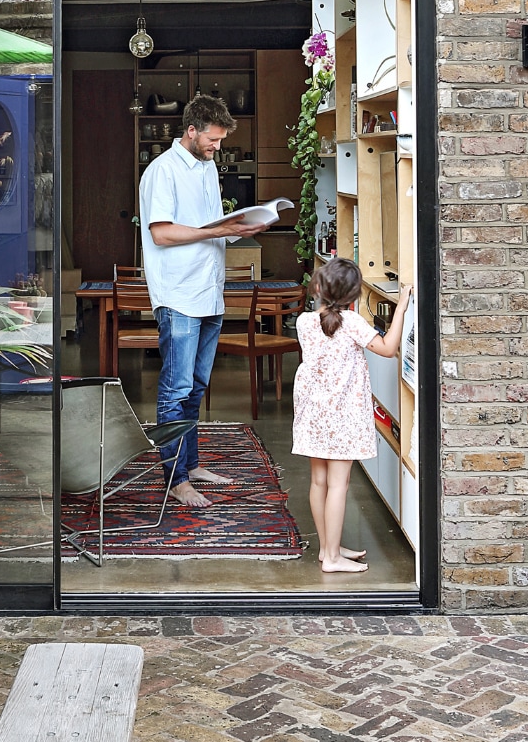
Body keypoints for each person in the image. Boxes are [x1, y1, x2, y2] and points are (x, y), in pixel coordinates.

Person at [138, 94, 271, 507]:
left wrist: (239, 228)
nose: (218, 147)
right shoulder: (162, 172)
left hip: (209, 292)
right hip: (178, 293)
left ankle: (190, 464)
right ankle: (175, 479)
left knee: (195, 386)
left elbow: (211, 224)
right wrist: (214, 232)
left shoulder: (208, 167)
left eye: (221, 141)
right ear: (191, 131)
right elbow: (161, 233)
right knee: (176, 389)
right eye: (213, 140)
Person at [292, 256, 412, 573]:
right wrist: (400, 308)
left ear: (317, 287)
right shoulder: (353, 324)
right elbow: (387, 349)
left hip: (312, 414)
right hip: (341, 417)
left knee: (319, 482)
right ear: (353, 296)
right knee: (339, 486)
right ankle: (332, 559)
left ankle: (327, 548)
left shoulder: (304, 323)